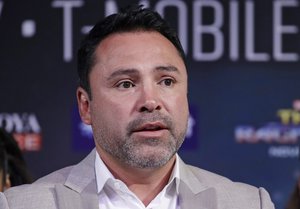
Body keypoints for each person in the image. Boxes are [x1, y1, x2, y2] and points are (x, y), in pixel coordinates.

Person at [0, 5, 274, 209]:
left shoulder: (249, 203)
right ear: (85, 106)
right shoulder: (21, 205)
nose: (150, 101)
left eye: (166, 81)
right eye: (126, 84)